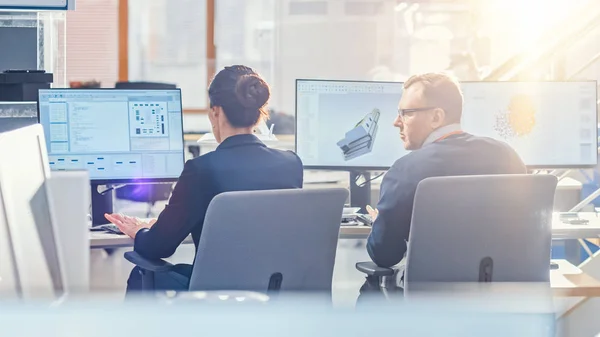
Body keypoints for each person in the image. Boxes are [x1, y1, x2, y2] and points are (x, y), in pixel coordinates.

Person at [105, 65, 304, 292]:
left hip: (217, 295)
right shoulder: (291, 164)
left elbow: (159, 247)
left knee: (141, 275)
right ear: (258, 113)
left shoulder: (201, 170)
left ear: (215, 112)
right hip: (275, 292)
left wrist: (141, 231)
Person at [361, 72, 526, 295]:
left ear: (436, 117)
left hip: (430, 306)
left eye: (406, 113)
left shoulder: (405, 170)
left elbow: (385, 255)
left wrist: (379, 222)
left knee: (371, 289)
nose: (396, 122)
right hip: (503, 300)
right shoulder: (508, 156)